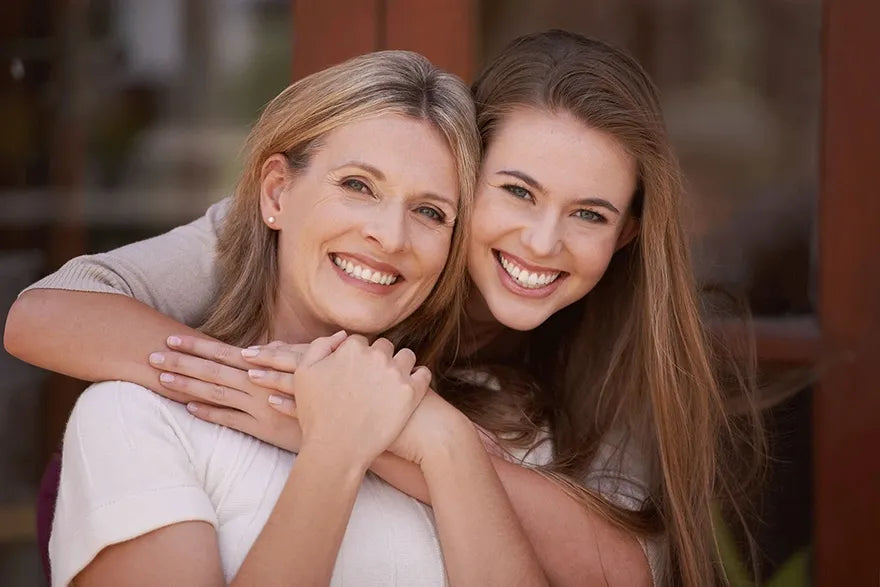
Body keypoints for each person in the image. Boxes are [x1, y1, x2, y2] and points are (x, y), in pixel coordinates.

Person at [6, 31, 761, 586]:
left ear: (627, 232)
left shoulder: (571, 369)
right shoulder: (274, 246)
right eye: (519, 191)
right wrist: (295, 388)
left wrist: (429, 434)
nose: (542, 240)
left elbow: (622, 567)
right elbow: (46, 314)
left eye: (590, 214)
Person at [20, 49, 559, 587]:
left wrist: (446, 440)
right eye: (357, 185)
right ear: (276, 192)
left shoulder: (499, 427)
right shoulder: (132, 416)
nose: (391, 236)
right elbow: (41, 313)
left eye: (429, 212)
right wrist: (334, 444)